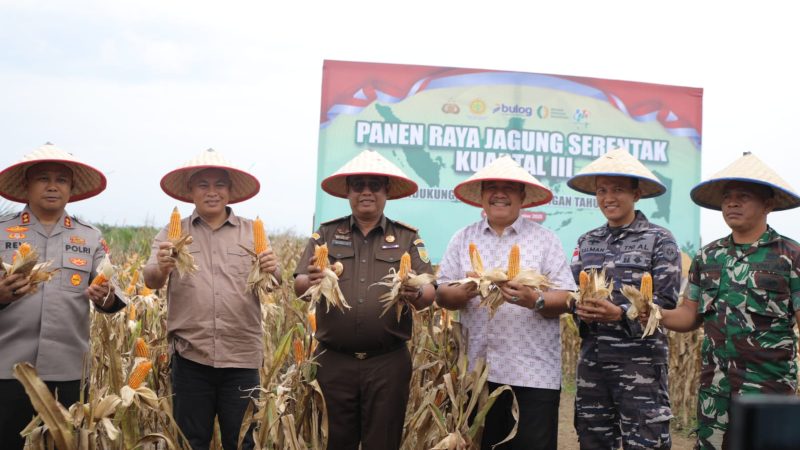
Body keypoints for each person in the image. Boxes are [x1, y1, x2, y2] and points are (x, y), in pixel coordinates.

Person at [642, 152, 800, 450]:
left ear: (768, 203)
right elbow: (689, 315)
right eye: (727, 197)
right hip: (715, 390)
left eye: (743, 196)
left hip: (769, 391)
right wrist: (655, 314)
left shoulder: (790, 256)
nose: (732, 203)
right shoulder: (708, 256)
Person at [293, 149, 435, 450]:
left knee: (382, 443)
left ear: (386, 191)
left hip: (388, 363)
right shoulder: (326, 234)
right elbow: (299, 284)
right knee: (335, 442)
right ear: (348, 191)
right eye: (358, 185)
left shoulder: (408, 238)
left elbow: (429, 290)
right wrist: (312, 280)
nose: (366, 191)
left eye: (375, 184)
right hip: (333, 361)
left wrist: (418, 293)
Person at [143, 148, 280, 450]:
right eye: (203, 184)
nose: (212, 192)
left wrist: (272, 268)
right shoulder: (171, 232)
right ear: (190, 191)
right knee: (191, 442)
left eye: (220, 184)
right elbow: (150, 279)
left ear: (230, 191)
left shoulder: (251, 231)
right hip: (192, 357)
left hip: (241, 357)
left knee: (243, 441)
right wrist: (164, 265)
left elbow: (273, 282)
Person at [436, 155, 576, 450]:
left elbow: (567, 297)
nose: (500, 193)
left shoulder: (545, 241)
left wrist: (535, 299)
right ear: (482, 196)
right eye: (492, 187)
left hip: (533, 374)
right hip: (476, 374)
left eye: (509, 187)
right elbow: (442, 293)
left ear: (522, 196)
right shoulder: (462, 239)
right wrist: (467, 290)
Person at [0, 143, 123, 449]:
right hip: (7, 370)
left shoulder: (89, 236)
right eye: (43, 178)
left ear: (71, 189)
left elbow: (112, 294)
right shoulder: (2, 232)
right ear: (26, 185)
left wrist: (104, 295)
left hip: (68, 371)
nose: (53, 186)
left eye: (61, 180)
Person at [566, 148, 681, 449]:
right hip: (594, 364)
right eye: (602, 191)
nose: (608, 198)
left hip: (641, 366)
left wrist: (620, 313)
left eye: (617, 189)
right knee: (592, 441)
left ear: (636, 193)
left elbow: (666, 302)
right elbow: (572, 292)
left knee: (646, 442)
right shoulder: (587, 241)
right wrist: (580, 308)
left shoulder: (660, 239)